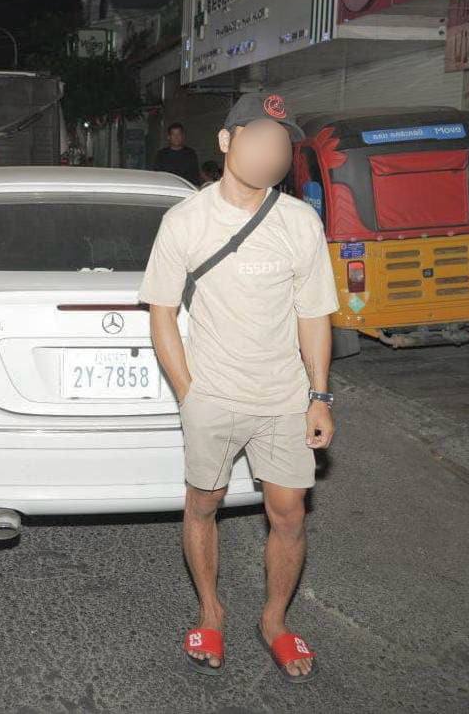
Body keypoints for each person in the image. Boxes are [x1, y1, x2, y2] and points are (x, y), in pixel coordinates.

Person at [139, 93, 338, 683]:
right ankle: (211, 610)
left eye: (282, 145)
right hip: (213, 396)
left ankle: (274, 620)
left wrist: (319, 395)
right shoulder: (185, 220)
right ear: (227, 141)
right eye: (260, 139)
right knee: (203, 505)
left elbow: (313, 315)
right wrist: (189, 393)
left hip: (284, 397)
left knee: (289, 513)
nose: (273, 153)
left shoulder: (300, 222)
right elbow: (162, 313)